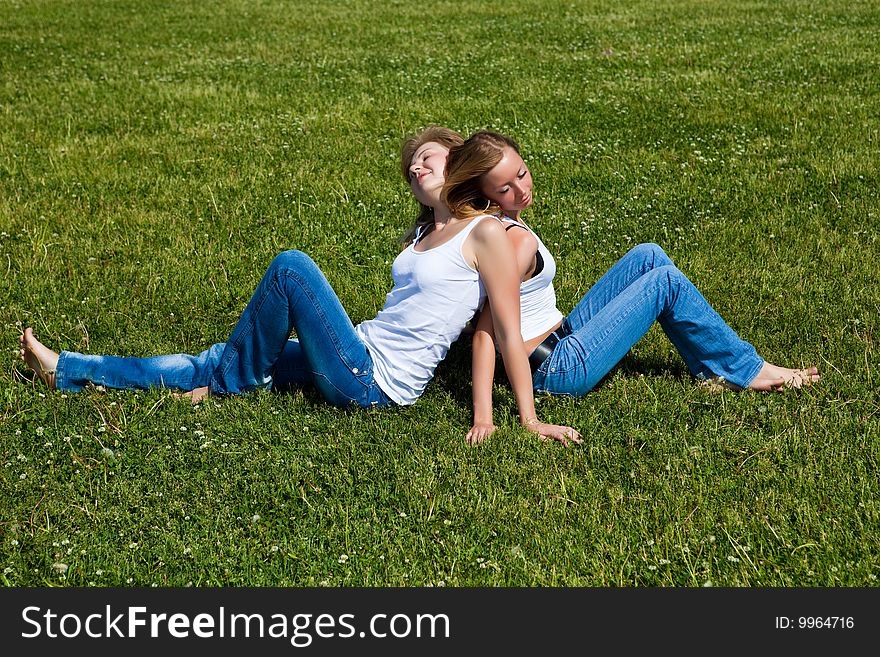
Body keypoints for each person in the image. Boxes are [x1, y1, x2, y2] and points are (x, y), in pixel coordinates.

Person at [19, 127, 581, 444]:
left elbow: (504, 332)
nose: (415, 168)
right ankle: (69, 368)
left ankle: (225, 385)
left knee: (292, 268)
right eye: (410, 167)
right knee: (214, 356)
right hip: (355, 351)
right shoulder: (419, 239)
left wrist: (517, 420)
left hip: (374, 383)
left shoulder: (486, 233)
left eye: (426, 159)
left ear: (457, 162)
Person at [439, 131, 820, 444]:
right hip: (558, 368)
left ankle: (713, 368)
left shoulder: (503, 224)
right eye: (505, 188)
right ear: (487, 195)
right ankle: (747, 370)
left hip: (561, 336)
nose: (520, 190)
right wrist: (496, 418)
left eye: (521, 174)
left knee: (648, 256)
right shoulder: (515, 244)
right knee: (665, 282)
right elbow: (487, 333)